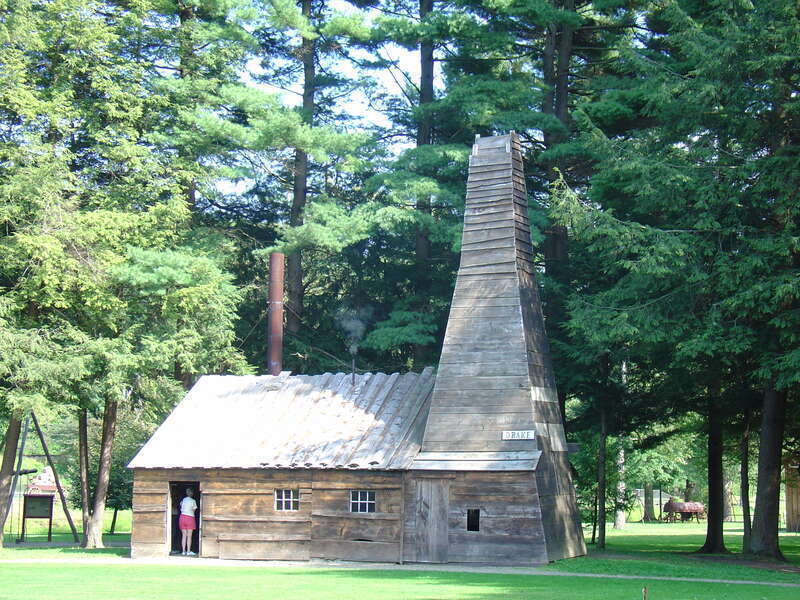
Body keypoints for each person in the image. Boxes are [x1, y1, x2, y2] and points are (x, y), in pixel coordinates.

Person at [179, 488, 198, 556]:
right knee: (189, 536)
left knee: (184, 535)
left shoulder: (183, 500)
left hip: (182, 517)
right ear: (191, 493)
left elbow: (181, 505)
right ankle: (188, 551)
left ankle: (183, 551)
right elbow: (194, 510)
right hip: (190, 518)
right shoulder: (193, 501)